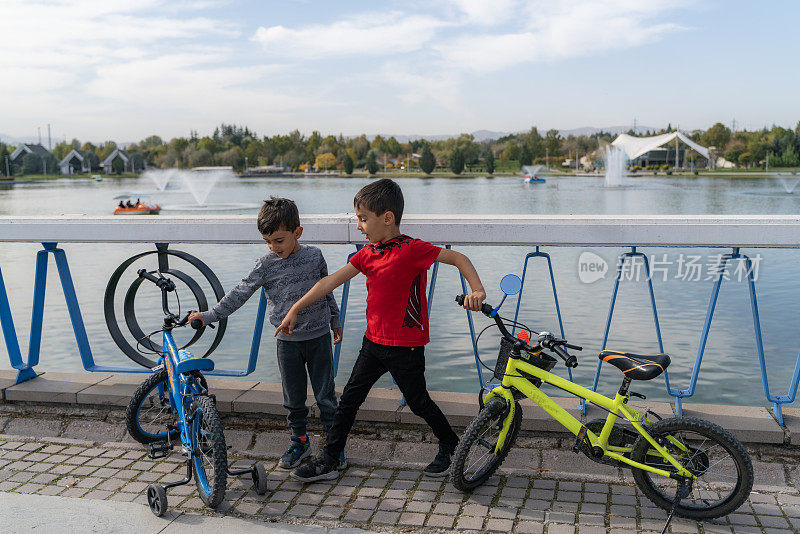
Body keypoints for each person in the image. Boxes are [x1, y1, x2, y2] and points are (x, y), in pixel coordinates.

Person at [276, 178, 486, 482]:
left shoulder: (413, 249)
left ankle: (451, 444)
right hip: (372, 343)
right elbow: (328, 282)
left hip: (406, 346)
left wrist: (477, 290)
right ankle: (330, 459)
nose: (359, 226)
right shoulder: (368, 253)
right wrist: (295, 307)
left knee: (418, 402)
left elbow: (458, 258)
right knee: (348, 400)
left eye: (363, 219)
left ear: (387, 218)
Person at [188, 197, 345, 470]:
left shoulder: (315, 256)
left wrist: (335, 320)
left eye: (279, 240)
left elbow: (326, 289)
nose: (274, 247)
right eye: (268, 241)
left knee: (326, 396)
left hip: (319, 337)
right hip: (287, 342)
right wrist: (209, 315)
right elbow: (239, 293)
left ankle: (334, 447)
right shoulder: (266, 264)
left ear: (298, 232)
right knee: (293, 398)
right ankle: (300, 441)